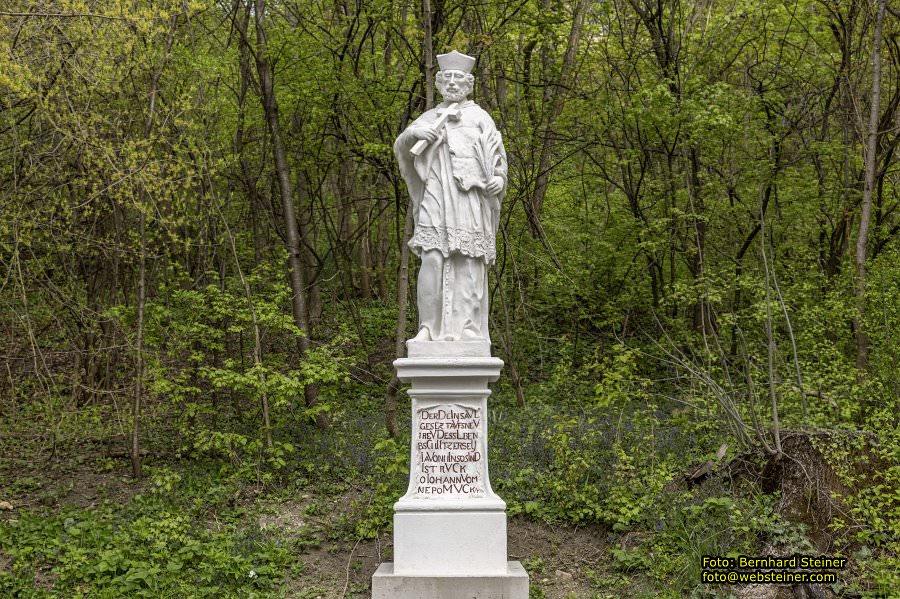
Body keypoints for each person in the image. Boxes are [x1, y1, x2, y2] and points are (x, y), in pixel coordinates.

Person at [394, 50, 508, 344]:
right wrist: (412, 134)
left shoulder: (481, 118)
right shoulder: (428, 117)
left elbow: (498, 162)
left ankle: (468, 328)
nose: (453, 84)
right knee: (431, 258)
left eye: (459, 79)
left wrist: (498, 179)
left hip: (469, 200)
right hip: (435, 196)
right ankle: (428, 328)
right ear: (439, 82)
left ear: (469, 84)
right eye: (448, 79)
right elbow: (402, 151)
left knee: (468, 259)